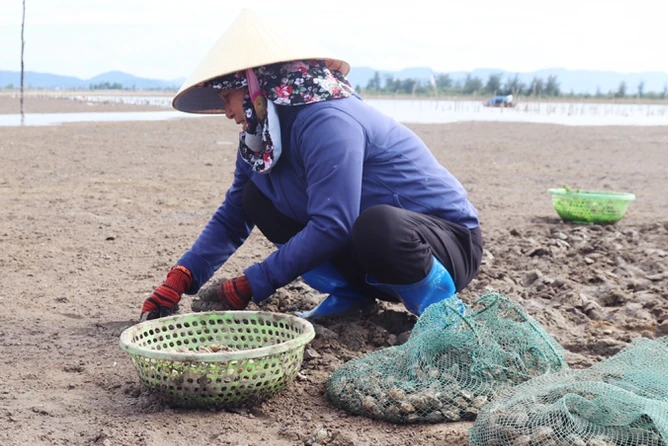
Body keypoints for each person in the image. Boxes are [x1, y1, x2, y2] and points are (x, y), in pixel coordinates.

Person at [140, 9, 483, 323]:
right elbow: (232, 218)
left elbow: (334, 225)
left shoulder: (327, 120)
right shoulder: (261, 137)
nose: (227, 112)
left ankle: (441, 313)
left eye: (227, 97)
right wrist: (181, 277)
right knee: (254, 198)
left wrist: (251, 283)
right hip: (368, 249)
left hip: (442, 242)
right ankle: (351, 295)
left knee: (378, 225)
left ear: (254, 86)